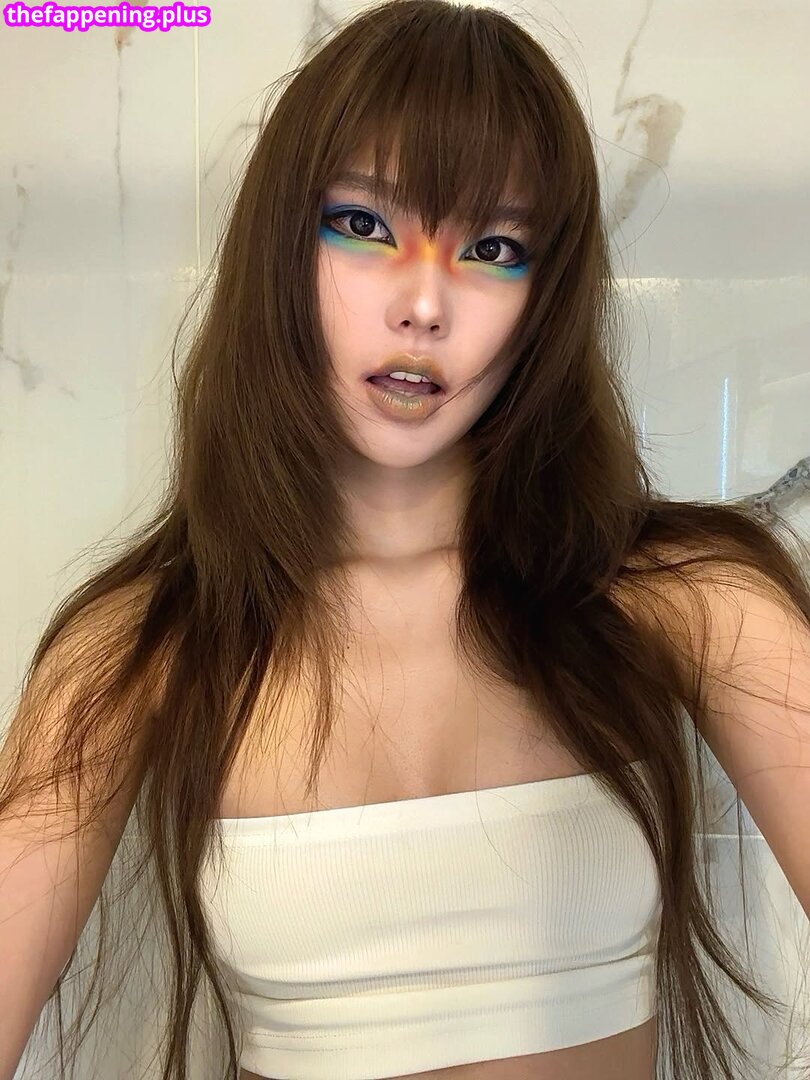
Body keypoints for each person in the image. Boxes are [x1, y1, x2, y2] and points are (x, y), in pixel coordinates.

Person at [2, 2, 808, 1079]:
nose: (424, 304)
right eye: (364, 223)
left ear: (544, 301)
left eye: (493, 248)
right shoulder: (141, 648)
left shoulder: (694, 600)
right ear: (281, 250)